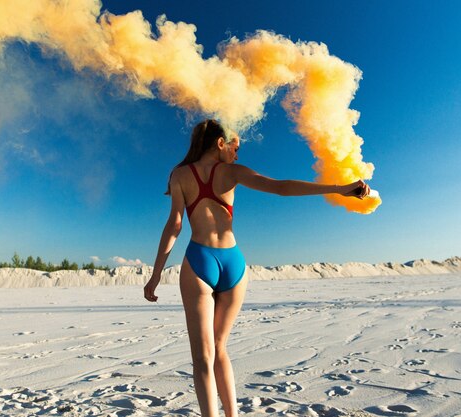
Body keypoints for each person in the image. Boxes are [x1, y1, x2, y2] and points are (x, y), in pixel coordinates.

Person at [143, 119, 370, 417]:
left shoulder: (180, 175)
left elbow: (174, 225)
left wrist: (156, 273)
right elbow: (281, 188)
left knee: (203, 359)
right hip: (234, 265)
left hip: (199, 262)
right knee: (219, 350)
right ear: (220, 143)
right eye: (235, 146)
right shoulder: (232, 172)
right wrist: (340, 189)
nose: (238, 153)